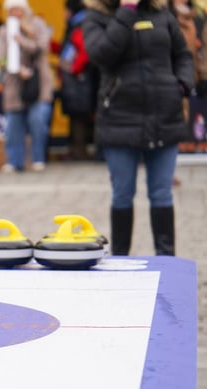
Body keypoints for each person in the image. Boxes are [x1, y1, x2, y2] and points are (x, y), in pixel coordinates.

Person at [83, 0, 194, 256]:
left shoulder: (162, 14)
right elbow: (101, 55)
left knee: (162, 193)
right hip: (119, 118)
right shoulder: (96, 17)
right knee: (122, 193)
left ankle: (166, 259)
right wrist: (126, 11)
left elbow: (183, 55)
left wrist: (181, 85)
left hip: (164, 115)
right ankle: (121, 259)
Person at [0, 0, 54, 173]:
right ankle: (14, 161)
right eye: (12, 10)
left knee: (38, 121)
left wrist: (24, 38)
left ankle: (38, 158)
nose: (16, 14)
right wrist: (16, 69)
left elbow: (42, 47)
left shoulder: (38, 24)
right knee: (13, 123)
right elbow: (0, 57)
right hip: (14, 83)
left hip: (38, 82)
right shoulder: (3, 30)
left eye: (18, 9)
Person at [56, 0, 97, 161]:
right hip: (79, 81)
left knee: (78, 117)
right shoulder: (81, 23)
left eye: (65, 10)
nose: (64, 14)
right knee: (77, 116)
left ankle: (79, 151)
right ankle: (76, 151)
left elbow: (83, 52)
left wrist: (74, 69)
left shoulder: (79, 25)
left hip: (78, 81)